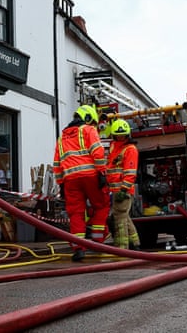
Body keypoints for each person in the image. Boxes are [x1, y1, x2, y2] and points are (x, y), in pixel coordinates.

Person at [53, 105, 109, 261]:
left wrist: (61, 184)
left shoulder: (61, 138)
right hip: (90, 176)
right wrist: (102, 172)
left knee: (76, 213)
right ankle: (98, 241)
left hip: (70, 180)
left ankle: (78, 248)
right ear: (89, 118)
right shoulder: (88, 130)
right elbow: (97, 152)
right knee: (101, 205)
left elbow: (57, 164)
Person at [106, 119, 141, 250]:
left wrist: (124, 189)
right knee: (124, 217)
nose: (120, 137)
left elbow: (130, 172)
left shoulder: (130, 149)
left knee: (119, 219)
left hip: (123, 191)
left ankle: (122, 247)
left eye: (122, 135)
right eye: (118, 135)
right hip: (115, 190)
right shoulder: (114, 146)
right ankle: (135, 243)